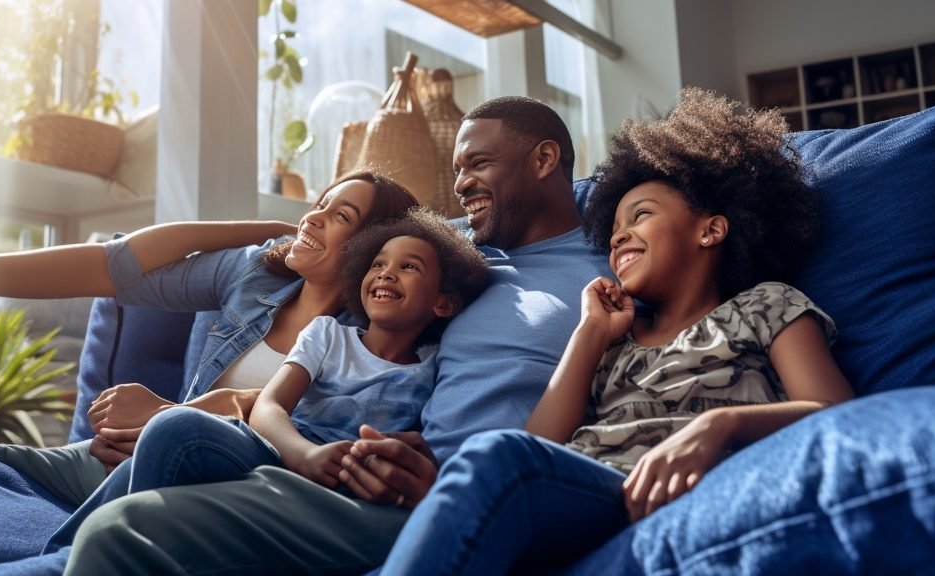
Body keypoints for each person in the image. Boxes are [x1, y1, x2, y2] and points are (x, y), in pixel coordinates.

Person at [59, 96, 611, 575]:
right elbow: (346, 262)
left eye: (479, 164)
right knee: (172, 438)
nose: (461, 184)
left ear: (544, 159)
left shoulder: (609, 265)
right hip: (367, 465)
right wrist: (284, 229)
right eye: (458, 167)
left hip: (461, 494)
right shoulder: (448, 248)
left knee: (123, 530)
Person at [377, 88, 856, 575]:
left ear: (710, 230)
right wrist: (589, 334)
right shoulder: (614, 344)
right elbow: (539, 444)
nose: (619, 235)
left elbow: (839, 414)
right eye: (614, 229)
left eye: (641, 216)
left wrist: (720, 426)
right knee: (494, 458)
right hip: (592, 492)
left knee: (494, 459)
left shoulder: (766, 305)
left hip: (678, 489)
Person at [0, 170, 418, 569]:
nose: (313, 219)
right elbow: (119, 265)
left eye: (341, 216)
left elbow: (283, 422)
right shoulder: (258, 275)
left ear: (374, 246)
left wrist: (164, 412)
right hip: (143, 455)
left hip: (217, 478)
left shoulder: (376, 331)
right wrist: (260, 229)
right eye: (318, 205)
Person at [41, 208, 489, 551]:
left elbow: (432, 439)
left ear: (443, 305)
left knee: (170, 432)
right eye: (378, 263)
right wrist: (306, 455)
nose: (387, 272)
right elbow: (270, 408)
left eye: (410, 267)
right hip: (279, 449)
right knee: (173, 428)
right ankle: (69, 551)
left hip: (343, 484)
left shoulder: (434, 366)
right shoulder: (328, 334)